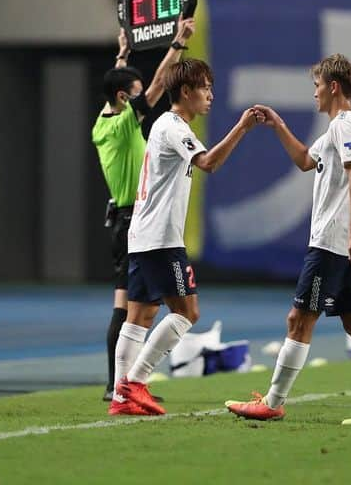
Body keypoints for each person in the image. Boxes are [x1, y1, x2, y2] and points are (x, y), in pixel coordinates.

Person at [225, 54, 351, 426]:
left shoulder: (345, 125)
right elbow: (306, 159)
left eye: (317, 85)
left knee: (299, 319)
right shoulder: (341, 127)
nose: (315, 93)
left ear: (333, 87)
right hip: (345, 241)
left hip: (333, 241)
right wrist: (278, 125)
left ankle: (272, 401)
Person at [109, 59, 260, 416]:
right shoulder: (173, 125)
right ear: (186, 91)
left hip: (144, 235)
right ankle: (135, 383)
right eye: (205, 87)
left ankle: (120, 397)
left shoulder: (166, 125)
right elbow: (207, 163)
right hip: (161, 238)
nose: (210, 94)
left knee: (140, 317)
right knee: (187, 312)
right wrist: (242, 126)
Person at [93, 17, 195, 401]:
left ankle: (124, 385)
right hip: (132, 218)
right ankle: (116, 385)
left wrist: (122, 54)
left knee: (139, 307)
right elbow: (154, 89)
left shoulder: (102, 122)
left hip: (123, 219)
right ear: (124, 99)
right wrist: (179, 44)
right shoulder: (122, 126)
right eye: (131, 94)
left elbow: (120, 89)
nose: (139, 98)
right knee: (129, 308)